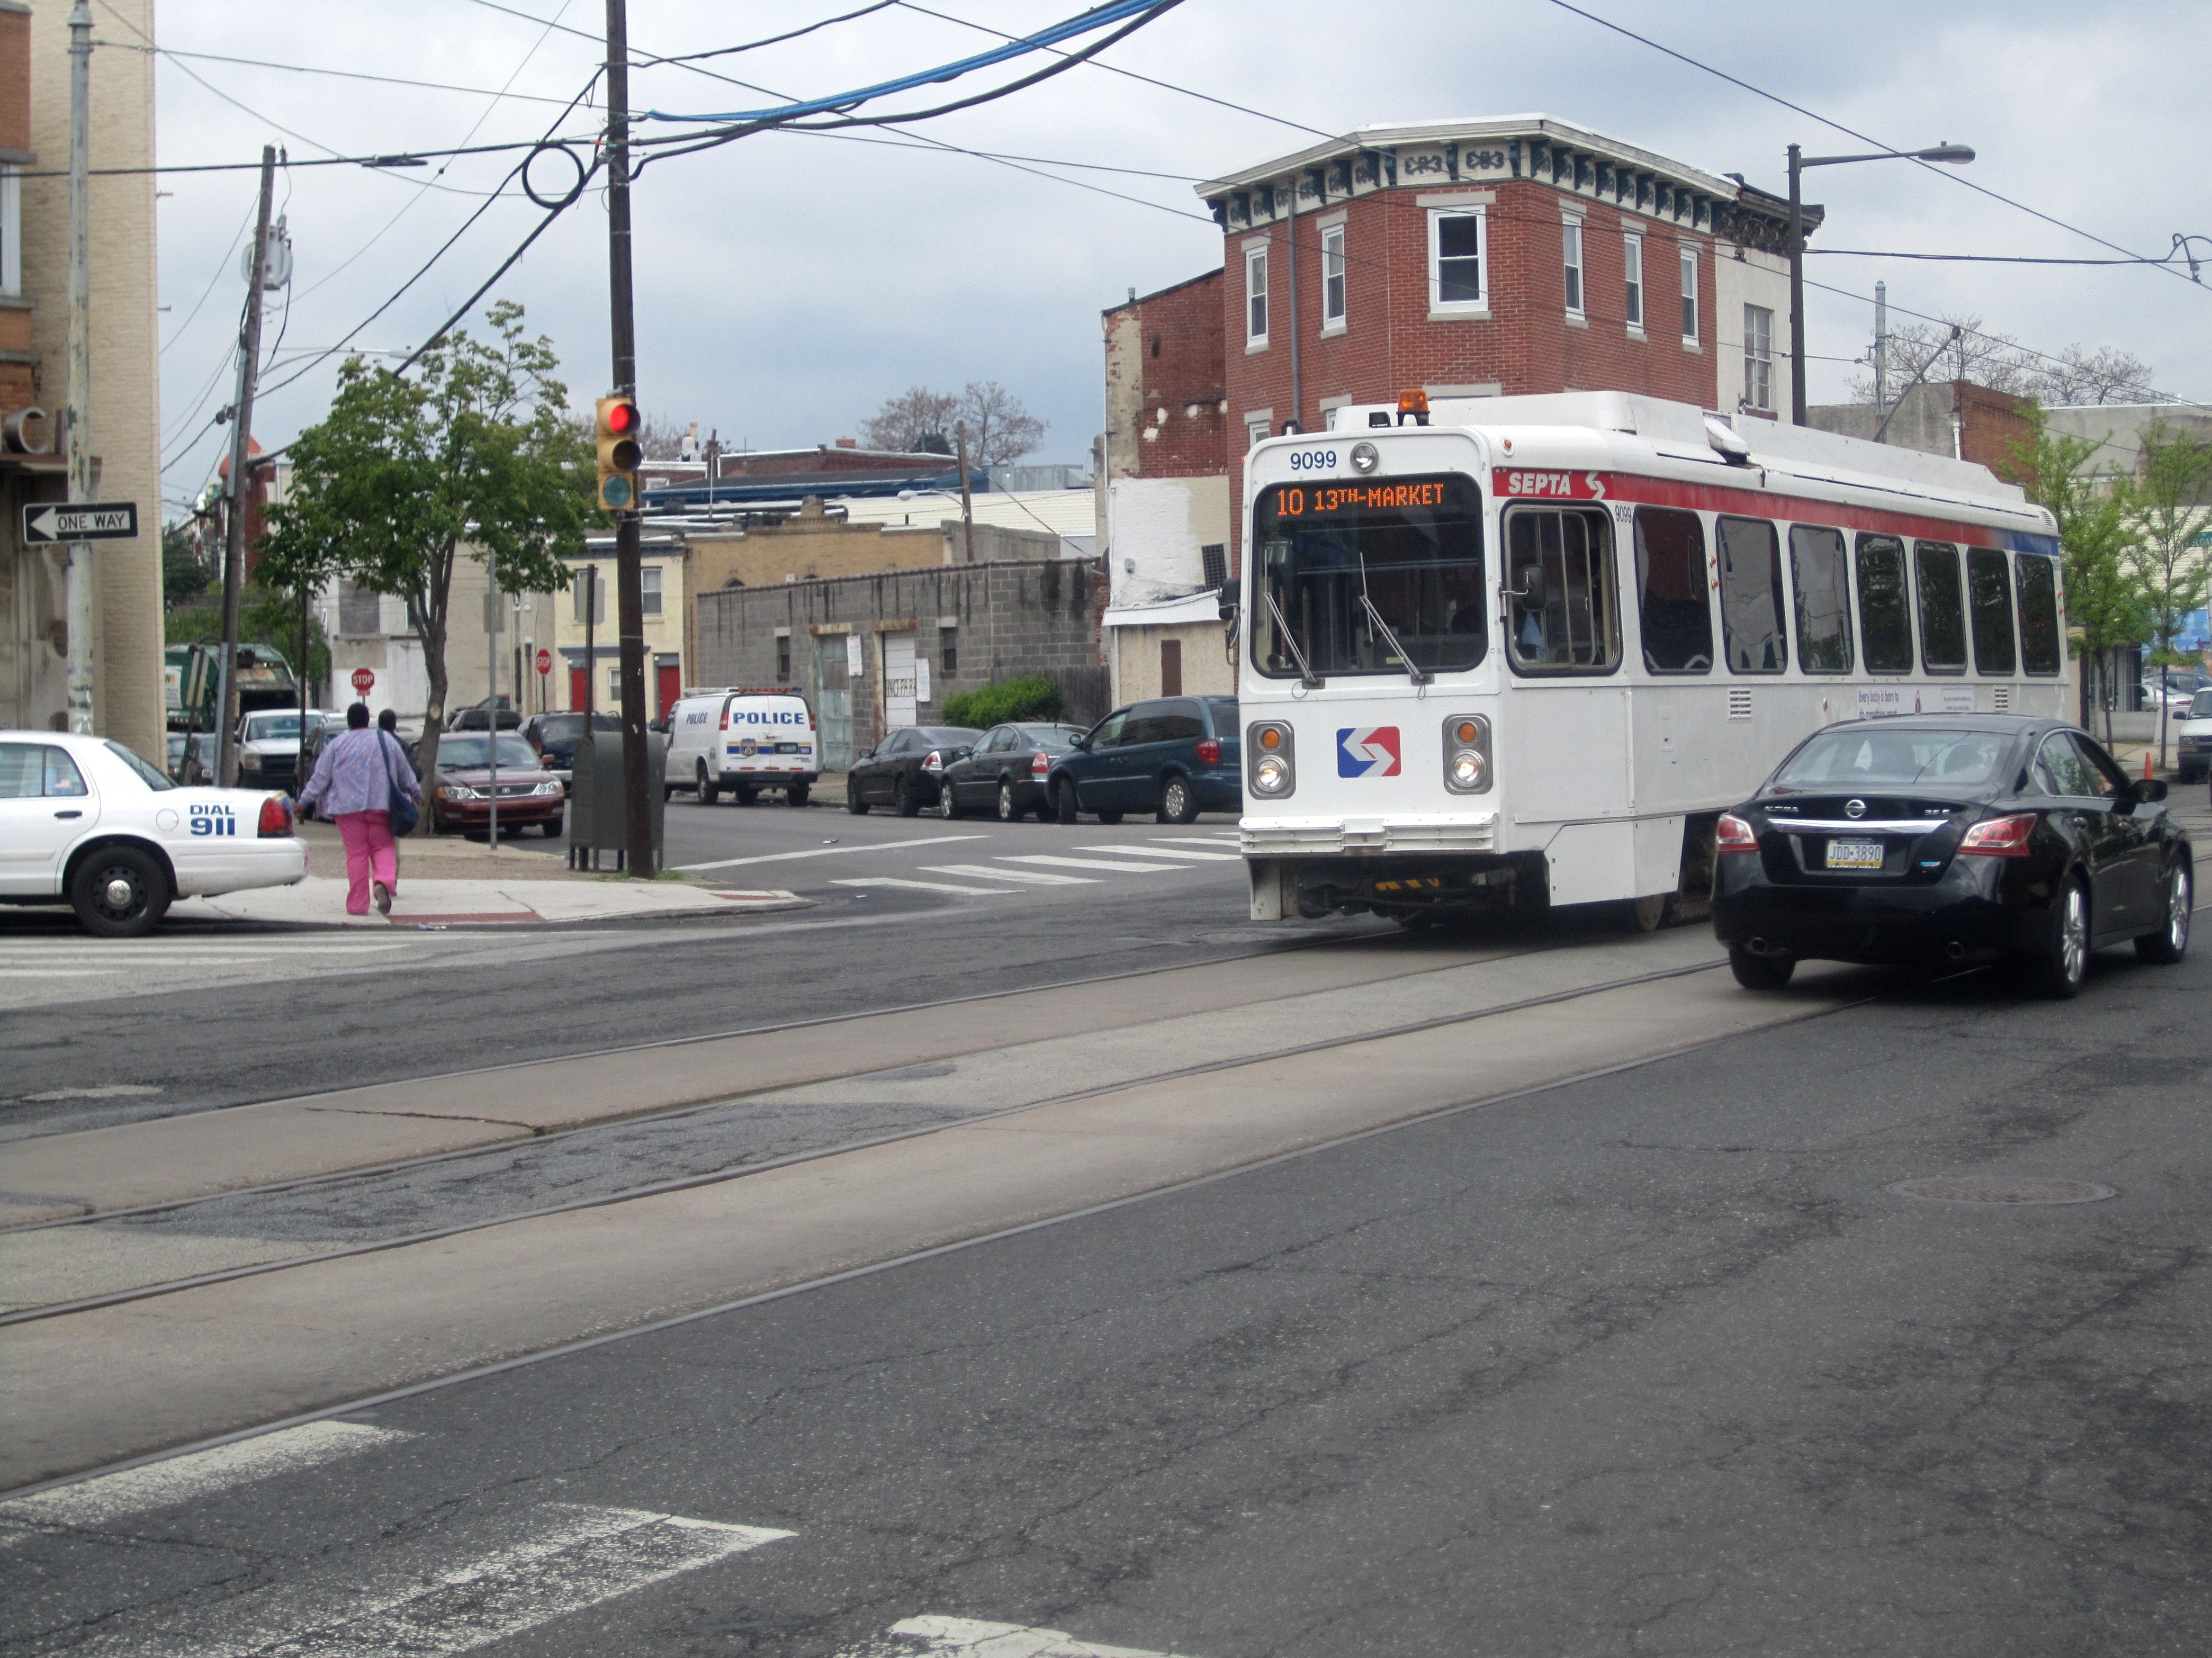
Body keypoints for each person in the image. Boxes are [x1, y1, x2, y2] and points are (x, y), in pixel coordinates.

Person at [298, 702, 419, 917]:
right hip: (381, 805)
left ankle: (358, 905)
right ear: (368, 719)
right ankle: (384, 883)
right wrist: (416, 793)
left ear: (348, 721)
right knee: (383, 847)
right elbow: (405, 773)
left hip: (347, 809)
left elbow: (320, 778)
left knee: (356, 855)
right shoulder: (387, 741)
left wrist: (304, 801)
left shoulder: (337, 745)